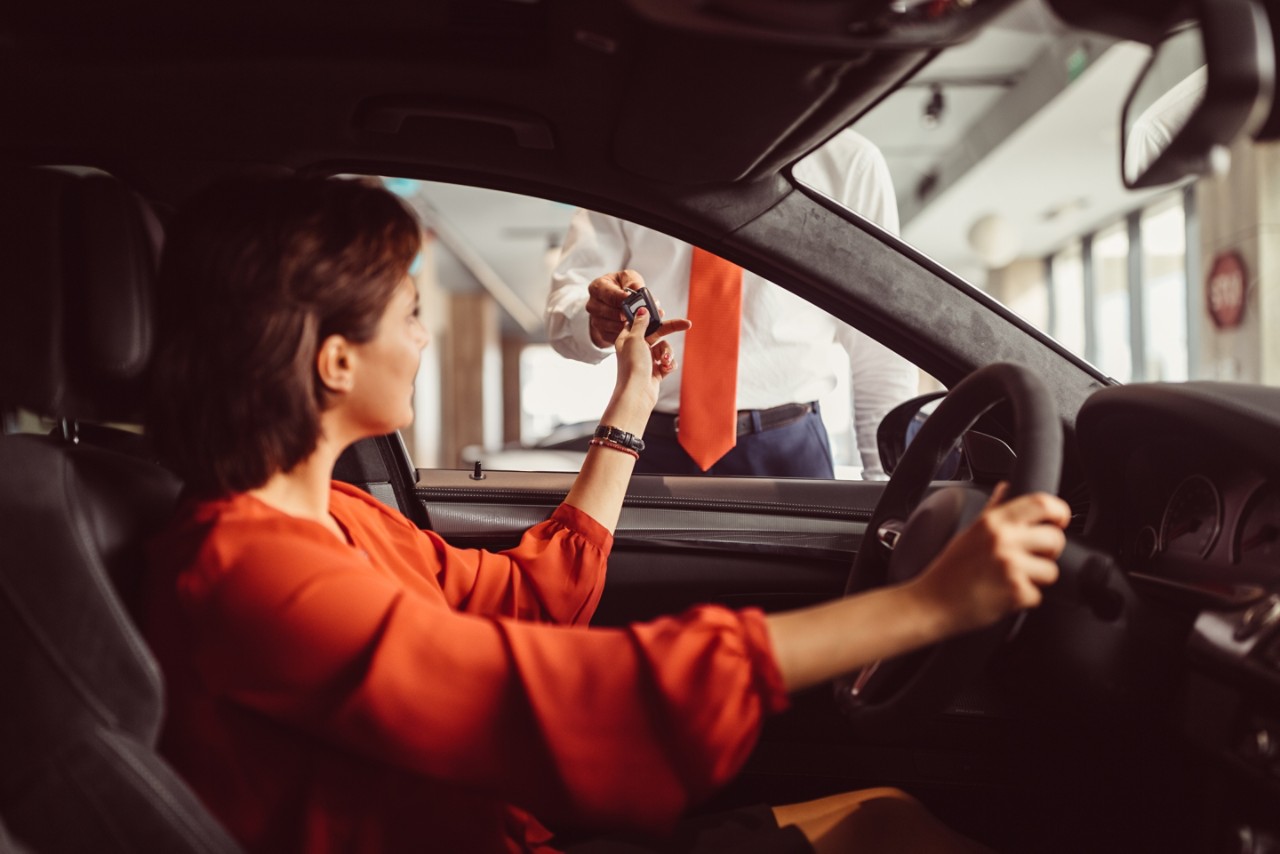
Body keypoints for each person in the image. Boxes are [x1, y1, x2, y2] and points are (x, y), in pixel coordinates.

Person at [142, 175, 1070, 854]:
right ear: (335, 362)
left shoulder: (337, 518)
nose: (424, 336)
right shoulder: (249, 573)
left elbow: (531, 593)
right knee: (888, 833)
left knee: (886, 820)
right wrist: (928, 607)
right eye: (411, 311)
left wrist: (630, 398)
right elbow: (567, 697)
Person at [545, 129, 918, 479]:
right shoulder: (626, 157)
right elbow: (565, 314)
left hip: (789, 452)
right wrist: (596, 322)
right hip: (646, 444)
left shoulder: (848, 162)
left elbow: (879, 348)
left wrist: (889, 489)